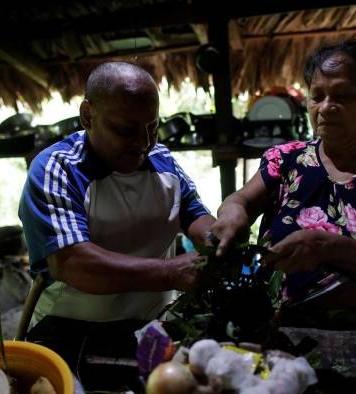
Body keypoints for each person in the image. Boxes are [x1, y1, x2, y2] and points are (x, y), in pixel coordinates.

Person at [210, 40, 356, 334]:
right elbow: (241, 201)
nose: (326, 108)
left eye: (343, 95)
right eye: (317, 96)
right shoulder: (285, 159)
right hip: (280, 325)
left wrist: (324, 247)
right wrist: (232, 211)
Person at [18, 61, 214, 386]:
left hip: (153, 321)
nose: (143, 143)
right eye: (126, 130)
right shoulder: (59, 169)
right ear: (87, 115)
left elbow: (198, 217)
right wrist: (170, 272)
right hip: (73, 328)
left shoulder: (163, 161)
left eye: (152, 128)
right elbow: (72, 263)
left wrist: (221, 241)